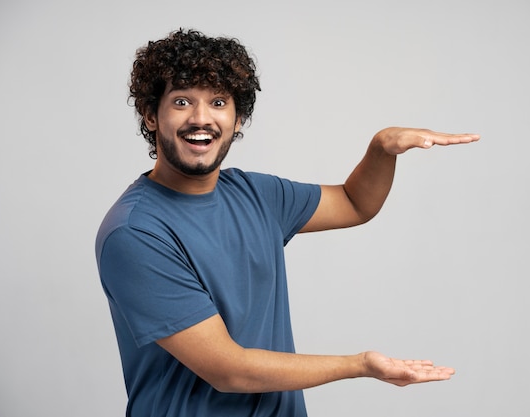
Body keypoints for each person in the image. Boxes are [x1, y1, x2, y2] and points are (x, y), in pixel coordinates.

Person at [95, 28, 480, 417]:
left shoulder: (255, 194)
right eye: (181, 101)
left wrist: (382, 148)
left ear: (237, 117)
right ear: (150, 115)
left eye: (218, 102)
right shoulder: (136, 232)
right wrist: (359, 365)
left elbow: (353, 202)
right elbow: (228, 371)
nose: (201, 118)